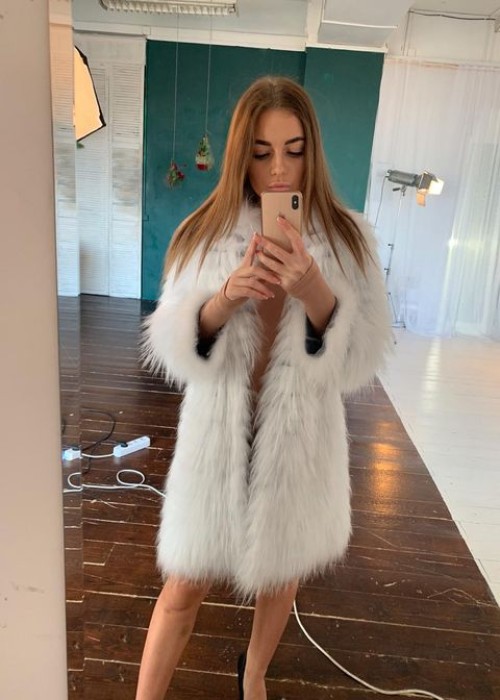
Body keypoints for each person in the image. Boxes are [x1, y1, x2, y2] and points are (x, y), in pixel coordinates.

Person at [139, 75, 392, 700]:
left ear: (312, 152)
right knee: (183, 587)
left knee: (280, 578)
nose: (279, 168)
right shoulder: (203, 232)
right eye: (261, 152)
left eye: (293, 150)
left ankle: (253, 676)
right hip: (216, 437)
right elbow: (172, 343)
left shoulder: (349, 240)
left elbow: (361, 360)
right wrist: (224, 299)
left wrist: (315, 291)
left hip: (301, 442)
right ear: (239, 155)